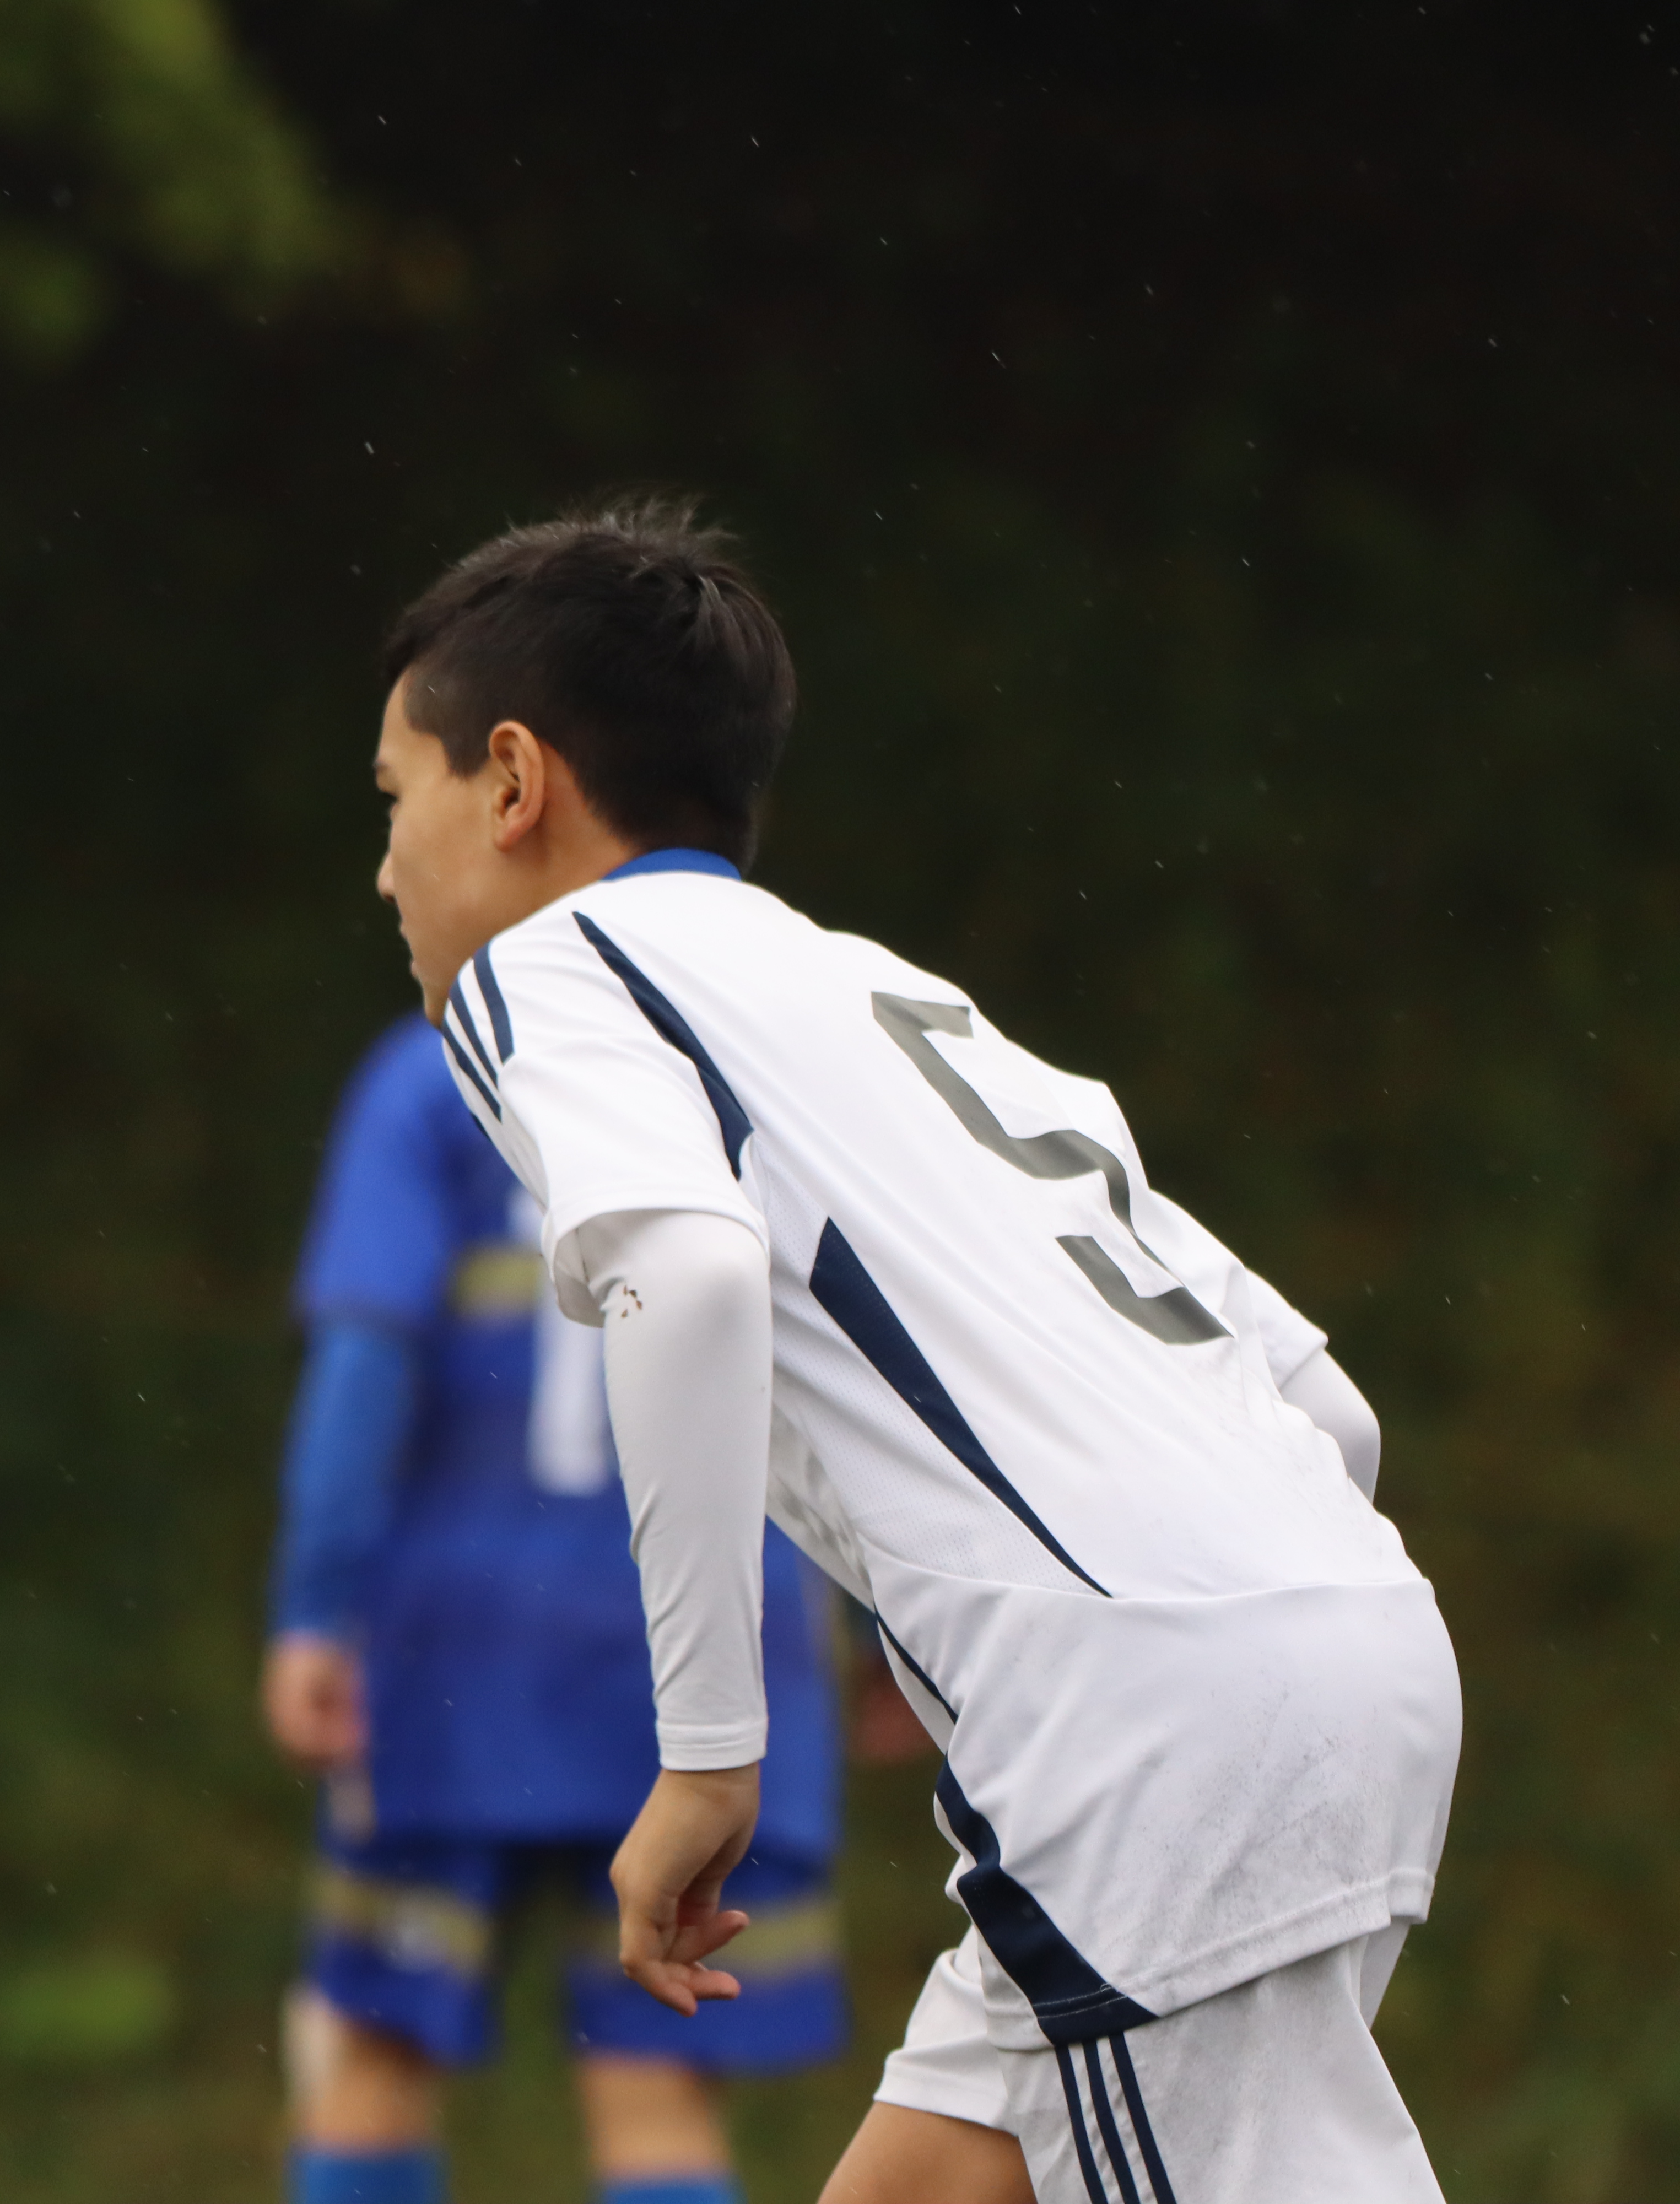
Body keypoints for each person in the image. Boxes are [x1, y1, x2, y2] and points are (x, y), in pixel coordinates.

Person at [363, 500, 1461, 2204]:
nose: (385, 871)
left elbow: (691, 1283)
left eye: (394, 801)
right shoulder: (892, 998)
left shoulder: (551, 966)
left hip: (1145, 1723)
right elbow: (1326, 1408)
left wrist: (708, 1753)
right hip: (1340, 1652)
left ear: (513, 782)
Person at [266, 1012, 848, 2204]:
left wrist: (315, 1610)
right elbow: (849, 1383)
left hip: (456, 1653)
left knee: (374, 2048)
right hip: (708, 1648)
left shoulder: (430, 1075)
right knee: (656, 2074)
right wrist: (878, 1638)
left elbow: (364, 1360)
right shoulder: (759, 1059)